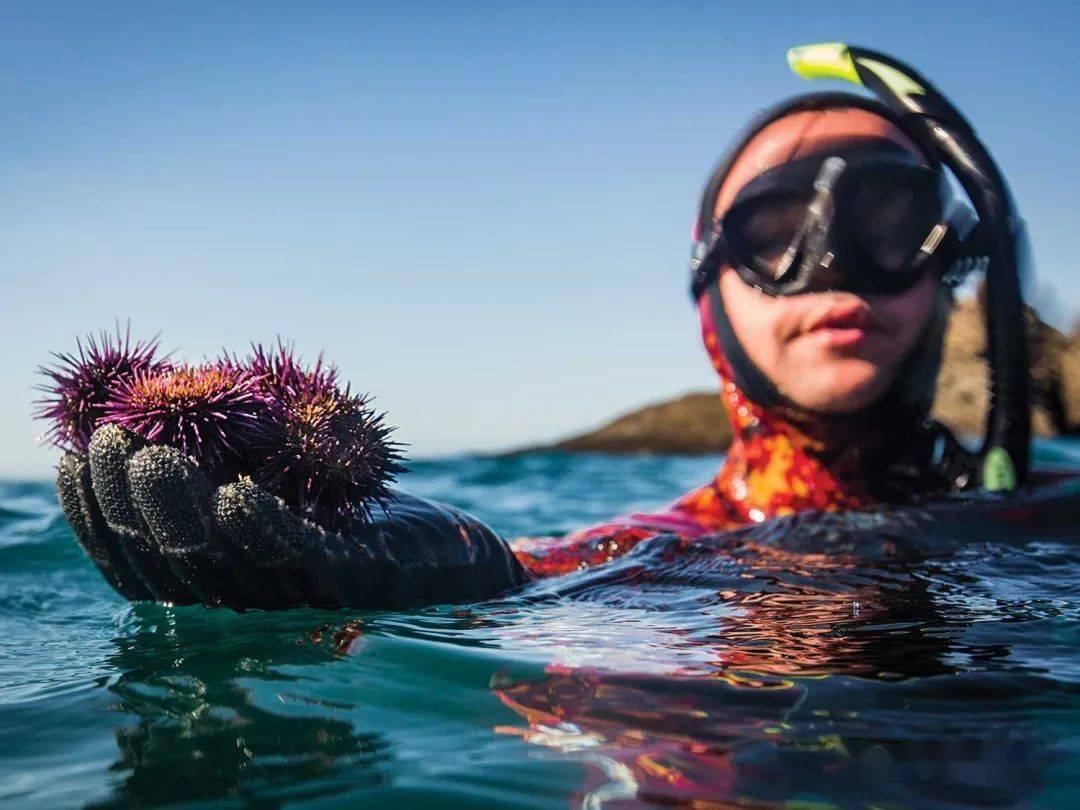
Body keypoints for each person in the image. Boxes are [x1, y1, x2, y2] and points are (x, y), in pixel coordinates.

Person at [55, 45, 1029, 610]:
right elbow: (538, 575)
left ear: (953, 265)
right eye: (778, 232)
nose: (834, 269)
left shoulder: (1048, 516)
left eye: (890, 223)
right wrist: (452, 572)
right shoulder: (656, 552)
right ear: (710, 291)